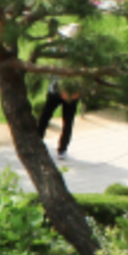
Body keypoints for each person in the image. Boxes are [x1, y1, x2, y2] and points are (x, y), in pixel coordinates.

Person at [38, 23, 81, 158]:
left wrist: (76, 91)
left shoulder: (77, 55)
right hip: (55, 89)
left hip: (70, 92)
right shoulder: (56, 49)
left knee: (67, 121)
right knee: (45, 116)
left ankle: (62, 149)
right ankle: (38, 142)